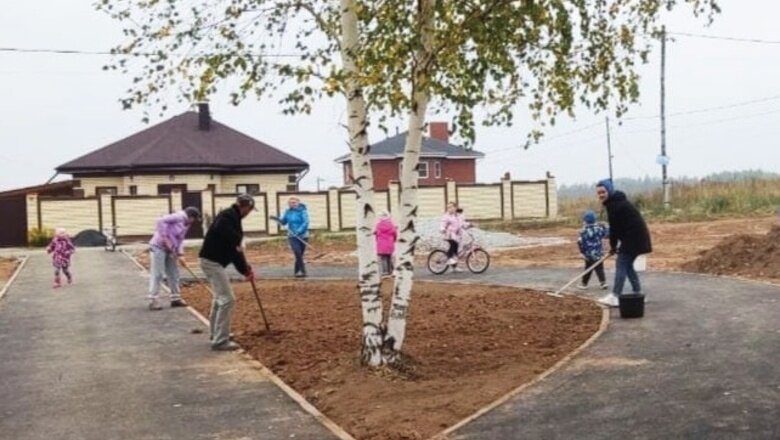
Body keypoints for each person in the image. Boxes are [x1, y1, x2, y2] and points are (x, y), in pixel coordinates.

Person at [199, 194, 255, 351]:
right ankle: (220, 341)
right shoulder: (228, 216)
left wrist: (245, 269)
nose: (249, 213)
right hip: (212, 262)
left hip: (212, 261)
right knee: (228, 299)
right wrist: (237, 241)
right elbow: (225, 234)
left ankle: (216, 334)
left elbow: (235, 251)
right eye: (250, 210)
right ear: (246, 207)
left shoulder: (233, 217)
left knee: (220, 299)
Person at [595, 179, 652, 307]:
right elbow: (618, 228)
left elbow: (614, 229)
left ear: (609, 191)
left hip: (634, 238)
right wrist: (614, 246)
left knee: (621, 264)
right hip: (635, 238)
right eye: (599, 193)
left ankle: (615, 296)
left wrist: (613, 246)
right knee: (627, 265)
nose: (601, 195)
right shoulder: (616, 202)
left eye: (603, 192)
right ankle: (638, 293)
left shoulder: (614, 206)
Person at [147, 206, 201, 310]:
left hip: (171, 249)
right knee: (158, 273)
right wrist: (164, 237)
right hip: (158, 246)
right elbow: (160, 220)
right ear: (190, 217)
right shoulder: (178, 217)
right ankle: (153, 300)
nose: (194, 221)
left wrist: (180, 254)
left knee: (173, 273)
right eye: (194, 219)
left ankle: (175, 298)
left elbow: (180, 240)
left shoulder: (186, 225)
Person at [271, 197, 310, 278]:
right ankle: (303, 271)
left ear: (298, 203)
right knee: (297, 252)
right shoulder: (288, 211)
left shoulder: (303, 211)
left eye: (294, 202)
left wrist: (298, 231)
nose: (292, 204)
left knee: (300, 255)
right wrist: (276, 219)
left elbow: (305, 222)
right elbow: (284, 222)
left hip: (303, 236)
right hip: (292, 236)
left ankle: (296, 271)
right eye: (290, 203)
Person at [576, 210, 609, 290]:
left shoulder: (583, 231)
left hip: (588, 254)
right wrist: (606, 226)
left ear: (585, 220)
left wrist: (582, 252)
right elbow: (607, 235)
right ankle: (603, 283)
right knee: (599, 268)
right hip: (598, 253)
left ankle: (584, 284)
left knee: (588, 268)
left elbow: (580, 242)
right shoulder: (599, 229)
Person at [440, 202, 469, 272]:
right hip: (449, 234)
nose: (449, 209)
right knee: (454, 244)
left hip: (457, 235)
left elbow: (463, 224)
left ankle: (454, 267)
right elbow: (443, 224)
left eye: (451, 207)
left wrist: (469, 225)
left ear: (455, 208)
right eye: (448, 207)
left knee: (455, 251)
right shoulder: (446, 216)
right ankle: (449, 258)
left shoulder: (459, 216)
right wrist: (442, 229)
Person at [375, 211, 397, 277]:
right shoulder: (391, 225)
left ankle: (385, 272)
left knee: (383, 258)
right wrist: (394, 240)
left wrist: (377, 241)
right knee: (389, 257)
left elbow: (377, 234)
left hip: (381, 244)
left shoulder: (378, 225)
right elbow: (395, 233)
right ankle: (391, 271)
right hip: (390, 243)